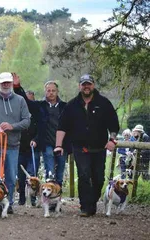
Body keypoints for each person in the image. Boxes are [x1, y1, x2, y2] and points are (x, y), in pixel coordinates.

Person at [54, 74, 119, 217]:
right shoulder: (72, 105)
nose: (86, 87)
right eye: (83, 84)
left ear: (93, 85)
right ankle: (85, 206)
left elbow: (113, 124)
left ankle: (92, 202)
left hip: (99, 148)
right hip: (80, 147)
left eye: (88, 84)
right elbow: (62, 126)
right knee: (84, 175)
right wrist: (58, 145)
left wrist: (112, 140)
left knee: (99, 177)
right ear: (79, 86)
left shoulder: (104, 103)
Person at [0, 72, 30, 214]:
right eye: (3, 82)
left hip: (12, 145)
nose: (5, 85)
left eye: (8, 83)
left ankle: (8, 203)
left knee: (11, 176)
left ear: (12, 84)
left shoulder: (21, 100)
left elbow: (26, 121)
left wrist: (12, 126)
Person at [12, 74, 41, 206]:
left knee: (32, 173)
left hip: (33, 148)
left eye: (30, 101)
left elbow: (42, 129)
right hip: (20, 148)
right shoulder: (18, 114)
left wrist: (36, 139)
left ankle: (33, 198)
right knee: (21, 174)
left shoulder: (37, 113)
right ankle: (22, 197)